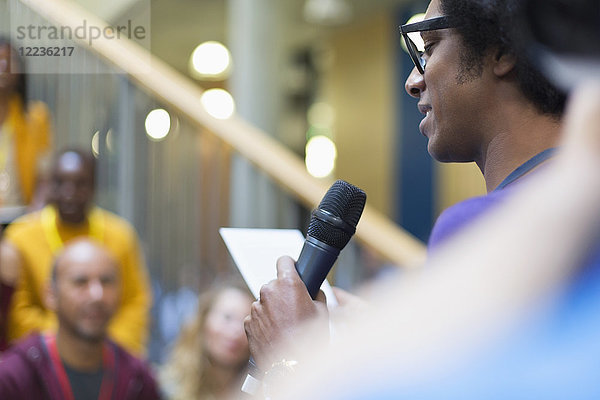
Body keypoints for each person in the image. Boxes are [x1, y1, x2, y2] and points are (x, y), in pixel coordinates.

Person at [243, 0, 570, 373]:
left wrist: (290, 357)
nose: (413, 82)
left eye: (429, 47)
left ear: (503, 49)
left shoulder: (482, 230)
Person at [1, 148, 151, 355]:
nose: (69, 193)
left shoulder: (120, 236)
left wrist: (104, 349)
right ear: (47, 186)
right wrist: (71, 345)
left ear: (94, 186)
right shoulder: (20, 237)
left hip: (109, 359)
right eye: (60, 183)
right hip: (40, 360)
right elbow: (17, 312)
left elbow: (135, 304)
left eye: (80, 184)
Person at [0, 239, 161, 399]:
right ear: (51, 295)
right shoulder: (14, 378)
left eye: (106, 281)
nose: (97, 295)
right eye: (80, 282)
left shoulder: (138, 380)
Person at [159, 284, 253, 400]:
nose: (236, 331)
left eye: (245, 323)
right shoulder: (165, 387)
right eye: (228, 317)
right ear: (204, 319)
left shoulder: (258, 391)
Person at [0, 36, 53, 215]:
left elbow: (45, 175)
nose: (3, 69)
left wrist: (35, 214)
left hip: (21, 216)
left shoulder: (36, 118)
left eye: (9, 62)